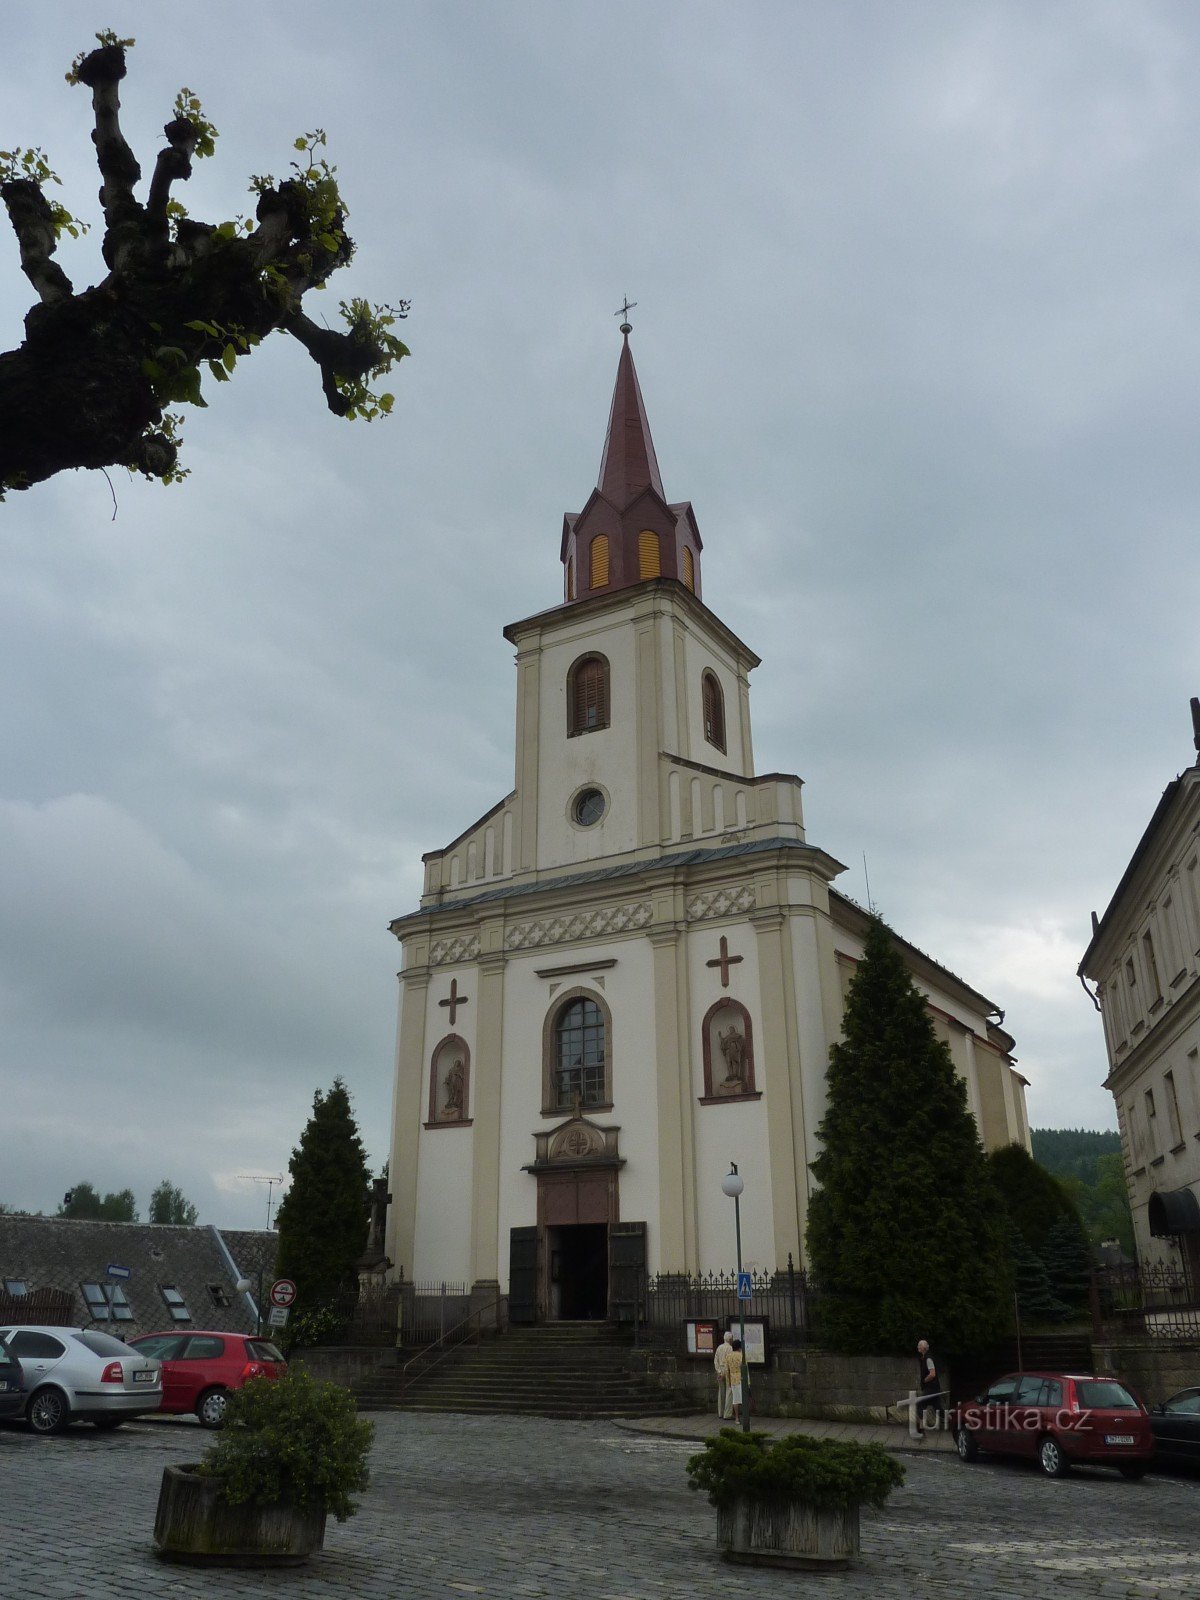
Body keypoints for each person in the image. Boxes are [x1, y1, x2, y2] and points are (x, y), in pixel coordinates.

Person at [916, 1338, 941, 1436]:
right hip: (932, 1388)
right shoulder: (924, 1357)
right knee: (939, 1409)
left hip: (932, 1388)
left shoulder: (928, 1359)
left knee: (919, 1404)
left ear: (924, 1348)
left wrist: (924, 1381)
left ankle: (921, 1429)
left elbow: (933, 1374)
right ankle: (955, 1420)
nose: (917, 1347)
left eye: (919, 1345)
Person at [713, 1330, 733, 1418]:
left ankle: (720, 1412)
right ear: (730, 1339)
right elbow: (728, 1361)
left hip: (719, 1370)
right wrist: (725, 1372)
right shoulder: (730, 1348)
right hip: (727, 1370)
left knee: (721, 1391)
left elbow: (715, 1361)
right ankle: (727, 1413)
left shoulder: (719, 1347)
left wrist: (719, 1371)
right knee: (729, 1391)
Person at [726, 1337, 744, 1424]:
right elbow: (744, 1368)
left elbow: (727, 1370)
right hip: (741, 1378)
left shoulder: (728, 1356)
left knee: (735, 1400)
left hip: (733, 1379)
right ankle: (745, 1417)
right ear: (739, 1347)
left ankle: (737, 1418)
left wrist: (728, 1381)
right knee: (744, 1398)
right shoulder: (741, 1355)